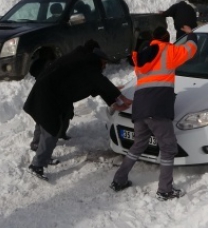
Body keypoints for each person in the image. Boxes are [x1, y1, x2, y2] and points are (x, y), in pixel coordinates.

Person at [110, 25, 198, 200]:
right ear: (167, 38)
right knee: (168, 148)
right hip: (157, 107)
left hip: (140, 107)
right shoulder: (169, 51)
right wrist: (191, 35)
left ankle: (119, 180)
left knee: (138, 145)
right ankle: (165, 190)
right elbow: (191, 50)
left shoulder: (144, 56)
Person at [23, 45, 132, 181]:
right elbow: (99, 80)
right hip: (49, 97)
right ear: (98, 60)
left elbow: (97, 85)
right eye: (104, 63)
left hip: (47, 93)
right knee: (50, 129)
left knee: (43, 119)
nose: (104, 67)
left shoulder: (82, 62)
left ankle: (36, 145)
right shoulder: (88, 65)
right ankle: (37, 165)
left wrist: (112, 97)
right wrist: (119, 96)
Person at [29, 39, 99, 151]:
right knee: (44, 118)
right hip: (50, 92)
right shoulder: (78, 58)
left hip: (62, 91)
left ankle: (60, 134)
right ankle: (37, 142)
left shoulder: (80, 57)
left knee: (65, 113)